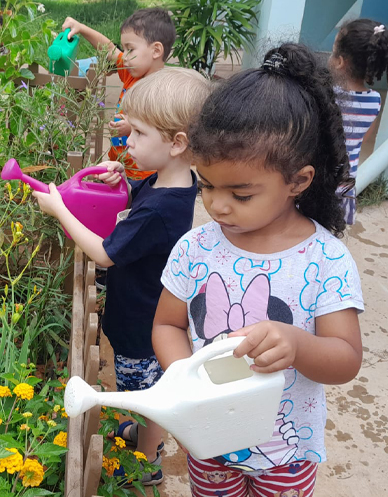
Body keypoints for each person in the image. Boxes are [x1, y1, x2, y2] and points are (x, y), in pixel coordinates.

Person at [153, 44, 364, 497]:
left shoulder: (324, 260)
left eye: (241, 194)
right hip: (209, 445)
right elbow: (167, 324)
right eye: (206, 185)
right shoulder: (195, 248)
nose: (217, 205)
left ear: (298, 181)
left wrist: (297, 342)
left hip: (286, 451)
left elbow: (345, 359)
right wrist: (190, 379)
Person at [33, 68, 212, 486]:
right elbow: (142, 199)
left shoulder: (157, 212)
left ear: (176, 143)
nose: (127, 142)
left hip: (142, 325)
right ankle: (145, 438)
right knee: (151, 390)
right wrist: (126, 185)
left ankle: (147, 461)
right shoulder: (174, 182)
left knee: (145, 396)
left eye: (138, 134)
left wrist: (60, 208)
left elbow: (103, 253)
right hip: (149, 308)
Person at [62, 7, 176, 180]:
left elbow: (166, 133)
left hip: (145, 176)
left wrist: (132, 128)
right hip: (120, 168)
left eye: (130, 49)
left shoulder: (163, 90)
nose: (125, 56)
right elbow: (109, 50)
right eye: (124, 49)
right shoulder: (132, 73)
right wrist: (81, 28)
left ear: (156, 50)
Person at [329, 18, 388, 224]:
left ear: (340, 61)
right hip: (344, 182)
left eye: (333, 50)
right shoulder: (374, 101)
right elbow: (363, 137)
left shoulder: (325, 95)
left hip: (319, 179)